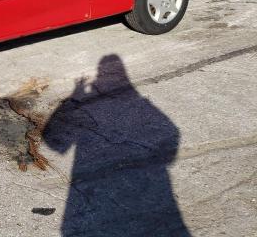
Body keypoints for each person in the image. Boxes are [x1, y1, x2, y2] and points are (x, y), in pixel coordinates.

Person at [43, 54, 190, 236]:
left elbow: (55, 143)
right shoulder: (143, 106)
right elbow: (172, 134)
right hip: (149, 190)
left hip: (103, 194)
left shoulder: (138, 106)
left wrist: (75, 96)